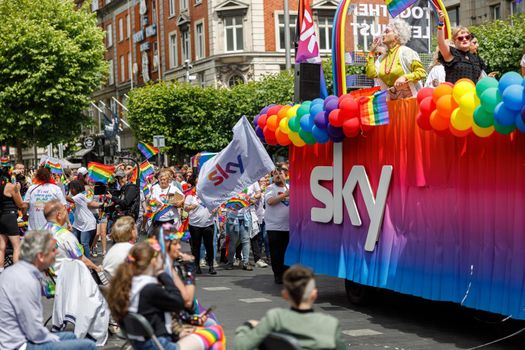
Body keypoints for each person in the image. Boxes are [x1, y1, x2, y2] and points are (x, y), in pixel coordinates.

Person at [106, 240, 224, 350]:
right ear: (153, 261)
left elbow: (154, 315)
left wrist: (180, 330)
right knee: (216, 332)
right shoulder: (149, 288)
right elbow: (178, 301)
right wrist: (162, 273)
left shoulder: (129, 283)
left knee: (213, 338)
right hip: (160, 344)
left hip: (142, 341)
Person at [0, 230, 96, 350]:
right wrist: (54, 340)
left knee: (71, 336)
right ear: (40, 256)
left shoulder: (17, 272)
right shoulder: (26, 280)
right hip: (18, 345)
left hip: (17, 337)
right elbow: (34, 332)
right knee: (88, 345)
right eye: (53, 250)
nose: (56, 253)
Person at [233, 265, 346, 350]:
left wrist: (247, 326)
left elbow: (240, 346)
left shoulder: (275, 319)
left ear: (285, 294)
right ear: (314, 294)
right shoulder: (330, 324)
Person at [366, 19, 426, 100]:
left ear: (397, 36)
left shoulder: (406, 52)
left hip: (410, 103)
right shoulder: (382, 58)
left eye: (387, 31)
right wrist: (372, 52)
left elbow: (422, 73)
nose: (383, 34)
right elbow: (371, 74)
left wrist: (405, 77)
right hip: (391, 105)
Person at [43, 199, 102, 273]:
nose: (67, 213)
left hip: (46, 280)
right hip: (62, 279)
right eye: (65, 211)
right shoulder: (65, 235)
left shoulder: (39, 233)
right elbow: (80, 258)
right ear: (59, 215)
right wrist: (96, 268)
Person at [436, 11, 486, 84]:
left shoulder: (476, 58)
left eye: (467, 37)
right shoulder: (451, 54)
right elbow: (441, 43)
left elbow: (481, 80)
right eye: (460, 38)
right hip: (454, 93)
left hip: (471, 94)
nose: (464, 39)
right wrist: (441, 23)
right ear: (454, 41)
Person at [184, 177, 216, 275]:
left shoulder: (210, 194)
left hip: (208, 224)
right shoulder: (191, 195)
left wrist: (215, 210)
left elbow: (216, 205)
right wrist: (191, 207)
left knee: (209, 246)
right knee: (195, 246)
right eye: (198, 183)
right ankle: (196, 266)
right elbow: (185, 208)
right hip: (194, 225)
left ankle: (211, 266)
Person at [265, 169, 290, 284]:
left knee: (287, 252)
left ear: (286, 175)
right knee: (276, 252)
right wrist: (285, 195)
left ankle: (287, 273)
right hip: (274, 226)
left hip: (289, 226)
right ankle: (278, 275)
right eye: (275, 174)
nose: (278, 176)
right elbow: (270, 201)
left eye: (280, 173)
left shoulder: (289, 187)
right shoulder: (270, 188)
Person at [0, 162, 27, 270]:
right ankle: (17, 271)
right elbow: (20, 204)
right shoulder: (11, 187)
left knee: (1, 247)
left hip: (1, 216)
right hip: (10, 217)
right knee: (17, 246)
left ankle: (1, 271)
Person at [24, 167, 68, 231]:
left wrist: (24, 214)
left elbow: (25, 206)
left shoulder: (31, 188)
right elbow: (63, 207)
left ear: (37, 176)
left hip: (34, 229)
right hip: (51, 229)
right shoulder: (55, 188)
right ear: (50, 176)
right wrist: (68, 222)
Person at [67, 180, 102, 258]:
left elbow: (69, 199)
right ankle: (78, 259)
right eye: (70, 189)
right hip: (78, 224)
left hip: (87, 223)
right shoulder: (79, 196)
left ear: (76, 188)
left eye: (72, 188)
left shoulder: (79, 196)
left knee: (84, 243)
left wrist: (60, 192)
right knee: (74, 241)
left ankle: (88, 263)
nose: (71, 190)